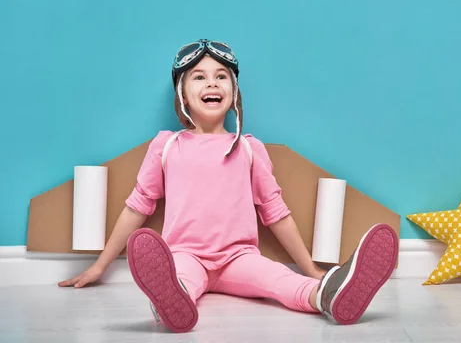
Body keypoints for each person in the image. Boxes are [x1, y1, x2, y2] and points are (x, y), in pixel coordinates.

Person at [58, 39, 399, 333]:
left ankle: (327, 294)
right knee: (180, 282)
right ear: (183, 95)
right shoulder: (166, 146)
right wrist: (101, 265)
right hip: (185, 255)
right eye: (200, 77)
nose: (213, 84)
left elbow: (276, 213)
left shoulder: (249, 148)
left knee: (281, 281)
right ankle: (168, 304)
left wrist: (308, 268)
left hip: (240, 257)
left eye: (222, 77)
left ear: (234, 92)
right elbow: (137, 207)